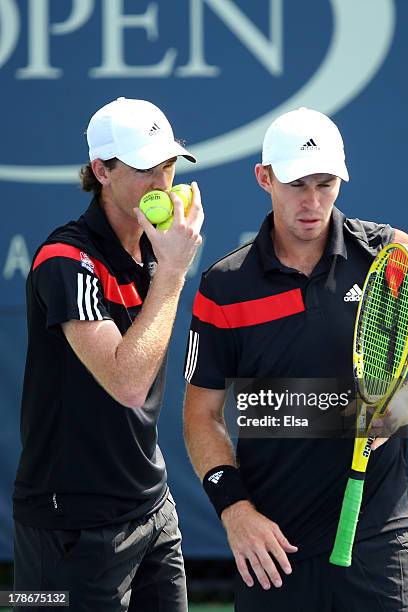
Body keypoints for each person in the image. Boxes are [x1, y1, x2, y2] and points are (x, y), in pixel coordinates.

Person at [182, 107, 408, 611]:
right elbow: (200, 416)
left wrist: (399, 410)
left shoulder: (390, 254)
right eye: (297, 184)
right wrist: (235, 511)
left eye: (326, 183)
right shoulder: (223, 286)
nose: (312, 202)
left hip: (379, 545)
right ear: (264, 178)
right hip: (272, 553)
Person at [13, 96, 203, 611]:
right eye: (145, 168)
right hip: (66, 530)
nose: (162, 182)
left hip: (153, 512)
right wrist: (172, 275)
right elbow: (128, 383)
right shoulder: (64, 259)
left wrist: (165, 268)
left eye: (168, 164)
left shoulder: (154, 250)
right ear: (102, 170)